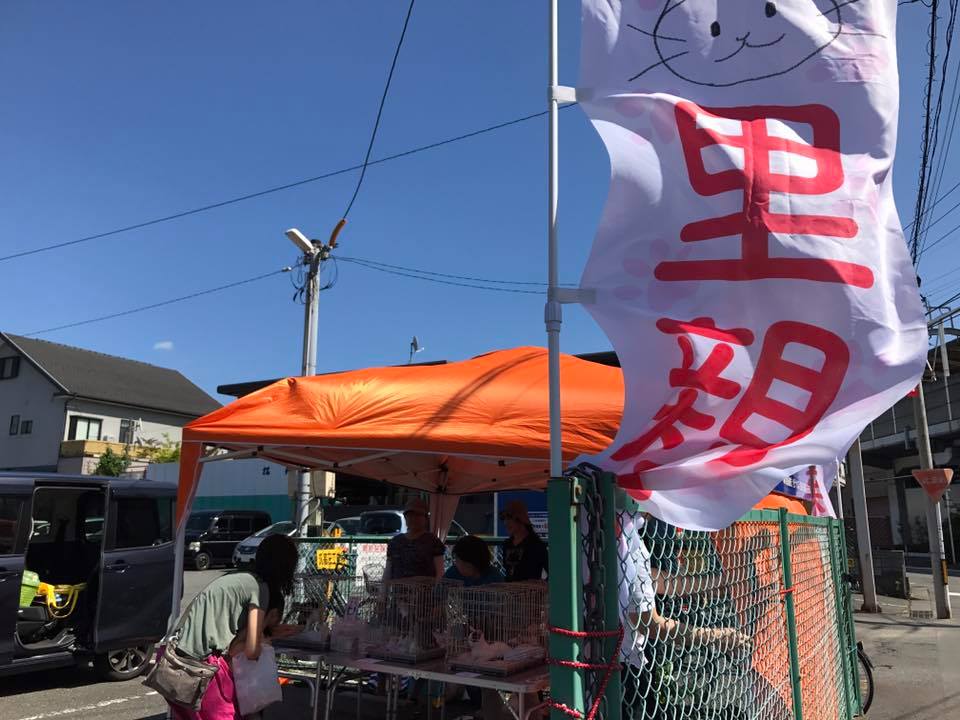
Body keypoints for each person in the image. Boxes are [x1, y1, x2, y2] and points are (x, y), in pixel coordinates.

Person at [167, 534, 299, 720]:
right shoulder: (259, 588)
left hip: (173, 660)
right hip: (199, 667)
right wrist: (265, 639)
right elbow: (251, 650)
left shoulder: (238, 577)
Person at [384, 497, 445, 580]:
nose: (413, 518)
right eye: (410, 515)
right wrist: (384, 587)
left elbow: (440, 573)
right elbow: (388, 571)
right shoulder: (395, 542)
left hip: (425, 588)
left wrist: (437, 587)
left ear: (426, 518)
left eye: (418, 515)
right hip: (398, 588)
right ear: (405, 517)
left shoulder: (434, 541)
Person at [500, 500, 548, 582]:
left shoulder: (536, 545)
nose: (505, 523)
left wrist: (541, 585)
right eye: (504, 519)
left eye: (509, 518)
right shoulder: (507, 544)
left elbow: (552, 571)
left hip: (530, 589)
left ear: (521, 520)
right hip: (509, 589)